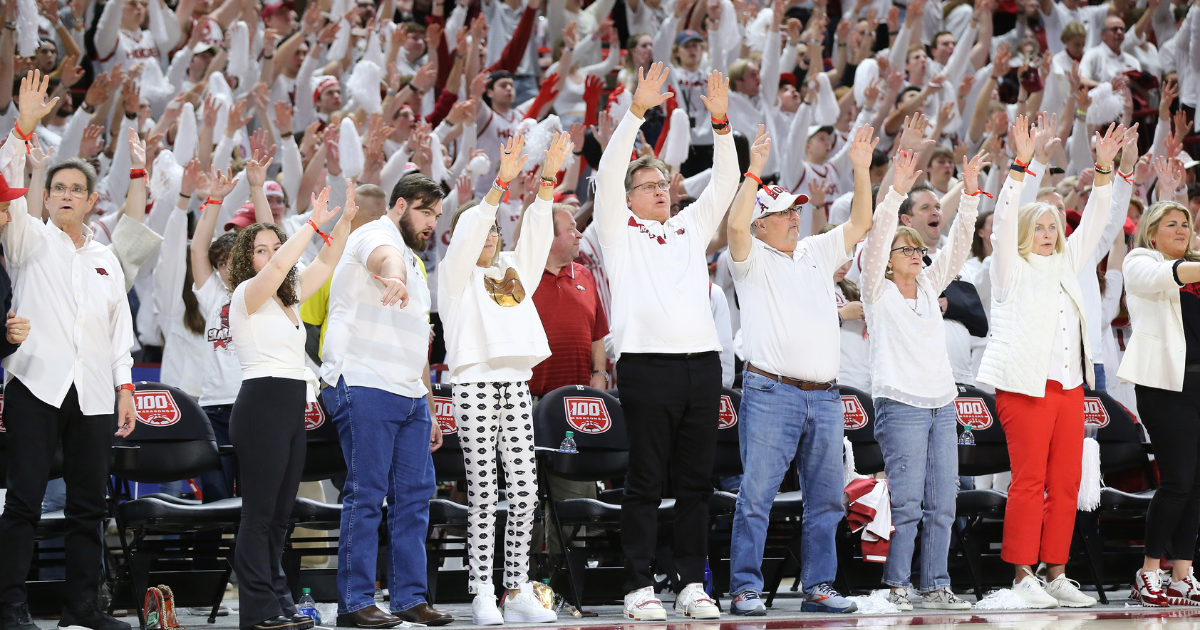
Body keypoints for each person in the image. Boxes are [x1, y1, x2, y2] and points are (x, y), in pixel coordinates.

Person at [594, 63, 736, 621]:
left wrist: (721, 125)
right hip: (646, 366)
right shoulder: (617, 230)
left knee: (697, 483)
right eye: (649, 187)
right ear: (629, 198)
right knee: (646, 481)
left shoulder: (689, 227)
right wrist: (635, 112)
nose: (661, 192)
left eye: (664, 185)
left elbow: (725, 184)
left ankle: (690, 582)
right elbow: (608, 175)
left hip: (701, 366)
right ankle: (637, 587)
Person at [0, 71, 136, 630]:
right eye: (57, 189)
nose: (66, 196)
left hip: (96, 394)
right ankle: (10, 607)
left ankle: (83, 607)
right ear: (47, 196)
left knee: (89, 507)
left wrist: (125, 387)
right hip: (36, 383)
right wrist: (24, 127)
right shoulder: (27, 238)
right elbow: (7, 181)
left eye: (76, 190)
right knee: (25, 503)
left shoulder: (106, 258)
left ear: (90, 200)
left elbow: (119, 330)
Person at [725, 124, 877, 616]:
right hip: (771, 391)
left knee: (827, 499)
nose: (794, 217)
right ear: (762, 224)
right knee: (757, 495)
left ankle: (819, 586)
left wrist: (858, 167)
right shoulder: (748, 259)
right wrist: (752, 173)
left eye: (796, 210)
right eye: (783, 212)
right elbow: (733, 227)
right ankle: (746, 587)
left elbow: (861, 223)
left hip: (826, 395)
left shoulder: (815, 251)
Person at [978, 115, 1126, 609]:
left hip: (1069, 389)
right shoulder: (1009, 270)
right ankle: (1022, 574)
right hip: (1025, 388)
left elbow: (1099, 218)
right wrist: (1020, 166)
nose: (1048, 232)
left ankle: (1057, 571)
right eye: (1038, 226)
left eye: (1052, 226)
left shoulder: (1067, 263)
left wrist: (1104, 170)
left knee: (1066, 483)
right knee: (1030, 482)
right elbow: (1002, 223)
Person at [438, 133, 572, 625]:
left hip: (515, 384)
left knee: (524, 492)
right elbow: (471, 230)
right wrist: (498, 184)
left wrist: (546, 184)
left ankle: (514, 588)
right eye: (483, 230)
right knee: (481, 490)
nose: (491, 234)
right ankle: (481, 592)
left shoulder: (511, 269)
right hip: (473, 384)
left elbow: (535, 239)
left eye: (496, 228)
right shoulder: (452, 276)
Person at [319, 176, 453, 628]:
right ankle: (355, 603)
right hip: (362, 381)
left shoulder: (417, 265)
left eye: (436, 214)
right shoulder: (375, 233)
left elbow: (418, 343)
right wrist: (393, 274)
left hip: (410, 394)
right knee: (367, 495)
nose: (431, 221)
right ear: (399, 206)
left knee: (415, 499)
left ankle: (408, 597)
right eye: (424, 210)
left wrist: (429, 405)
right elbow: (385, 258)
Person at [860, 149, 987, 611]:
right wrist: (894, 189)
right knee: (909, 503)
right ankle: (897, 584)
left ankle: (936, 582)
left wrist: (970, 194)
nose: (915, 255)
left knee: (944, 504)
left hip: (942, 403)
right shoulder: (876, 290)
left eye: (918, 249)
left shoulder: (932, 284)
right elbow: (876, 243)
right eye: (904, 248)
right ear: (888, 258)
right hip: (901, 404)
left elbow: (956, 248)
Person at [227, 185, 355, 630]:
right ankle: (258, 611)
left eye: (275, 247)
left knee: (281, 518)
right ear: (249, 259)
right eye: (261, 249)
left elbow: (325, 262)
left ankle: (278, 604)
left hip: (289, 409)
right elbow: (287, 263)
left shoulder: (288, 298)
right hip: (260, 405)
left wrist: (342, 225)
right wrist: (312, 225)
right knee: (260, 515)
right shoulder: (246, 294)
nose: (272, 255)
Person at [1120, 201, 1200, 607]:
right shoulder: (1140, 261)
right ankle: (1149, 571)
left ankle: (1182, 574)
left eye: (1186, 223)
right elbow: (1171, 274)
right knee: (1176, 481)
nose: (1182, 229)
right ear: (1153, 233)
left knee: (1197, 485)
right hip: (1166, 387)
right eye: (1172, 224)